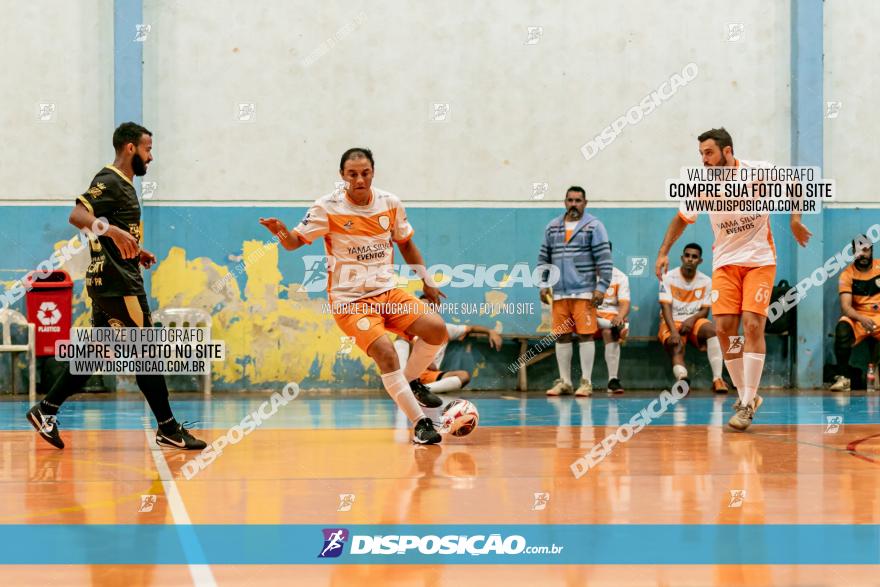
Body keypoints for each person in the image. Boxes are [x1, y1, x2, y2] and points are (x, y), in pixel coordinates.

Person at [26, 122, 207, 450]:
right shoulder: (109, 180)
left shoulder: (125, 185)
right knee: (147, 353)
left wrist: (136, 250)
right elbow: (77, 215)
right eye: (147, 149)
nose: (151, 157)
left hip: (109, 281)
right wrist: (112, 232)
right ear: (130, 148)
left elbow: (117, 235)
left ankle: (45, 410)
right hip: (119, 286)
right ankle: (167, 427)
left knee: (96, 353)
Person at [259, 148, 448, 444]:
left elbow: (406, 245)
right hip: (350, 302)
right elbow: (294, 243)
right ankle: (421, 424)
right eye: (352, 174)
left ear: (373, 172)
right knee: (386, 353)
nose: (359, 179)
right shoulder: (327, 207)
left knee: (437, 330)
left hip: (387, 292)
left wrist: (427, 282)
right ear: (342, 176)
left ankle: (411, 382)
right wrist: (281, 232)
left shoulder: (390, 203)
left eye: (365, 173)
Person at [655, 128, 811, 431]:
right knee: (726, 329)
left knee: (753, 323)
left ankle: (746, 403)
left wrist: (795, 219)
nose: (704, 159)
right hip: (725, 263)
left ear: (727, 151)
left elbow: (796, 183)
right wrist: (663, 251)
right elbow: (682, 218)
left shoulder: (758, 171)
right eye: (701, 154)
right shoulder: (703, 184)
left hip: (759, 261)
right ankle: (748, 396)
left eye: (709, 153)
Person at [538, 186, 613, 397]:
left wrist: (601, 287)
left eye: (578, 200)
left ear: (585, 203)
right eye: (570, 200)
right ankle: (565, 382)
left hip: (584, 293)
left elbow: (604, 259)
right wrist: (543, 284)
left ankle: (586, 382)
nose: (573, 204)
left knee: (585, 336)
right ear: (565, 202)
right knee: (561, 337)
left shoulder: (594, 226)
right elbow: (544, 258)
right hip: (560, 293)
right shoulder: (552, 227)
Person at [658, 243, 728, 393]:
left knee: (712, 330)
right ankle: (682, 380)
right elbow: (665, 307)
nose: (690, 259)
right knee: (676, 344)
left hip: (695, 321)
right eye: (687, 256)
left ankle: (718, 379)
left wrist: (692, 319)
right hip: (672, 321)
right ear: (682, 258)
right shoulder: (668, 277)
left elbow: (705, 310)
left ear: (700, 261)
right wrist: (674, 332)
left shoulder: (707, 281)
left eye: (694, 257)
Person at [394, 310, 503, 393]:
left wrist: (490, 331)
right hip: (410, 372)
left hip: (431, 374)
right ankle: (403, 383)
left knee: (464, 376)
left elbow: (471, 328)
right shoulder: (411, 328)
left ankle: (419, 391)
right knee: (401, 337)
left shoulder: (445, 329)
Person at [830, 235, 880, 391]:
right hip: (858, 318)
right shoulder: (847, 274)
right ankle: (844, 379)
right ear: (853, 252)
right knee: (842, 328)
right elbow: (846, 307)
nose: (863, 255)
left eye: (866, 250)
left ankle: (876, 374)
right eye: (859, 251)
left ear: (871, 251)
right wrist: (861, 318)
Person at [593, 242, 629, 393]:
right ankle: (619, 329)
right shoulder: (584, 276)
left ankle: (613, 380)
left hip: (612, 317)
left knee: (609, 332)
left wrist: (620, 316)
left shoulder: (620, 276)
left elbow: (625, 303)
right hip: (590, 317)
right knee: (590, 325)